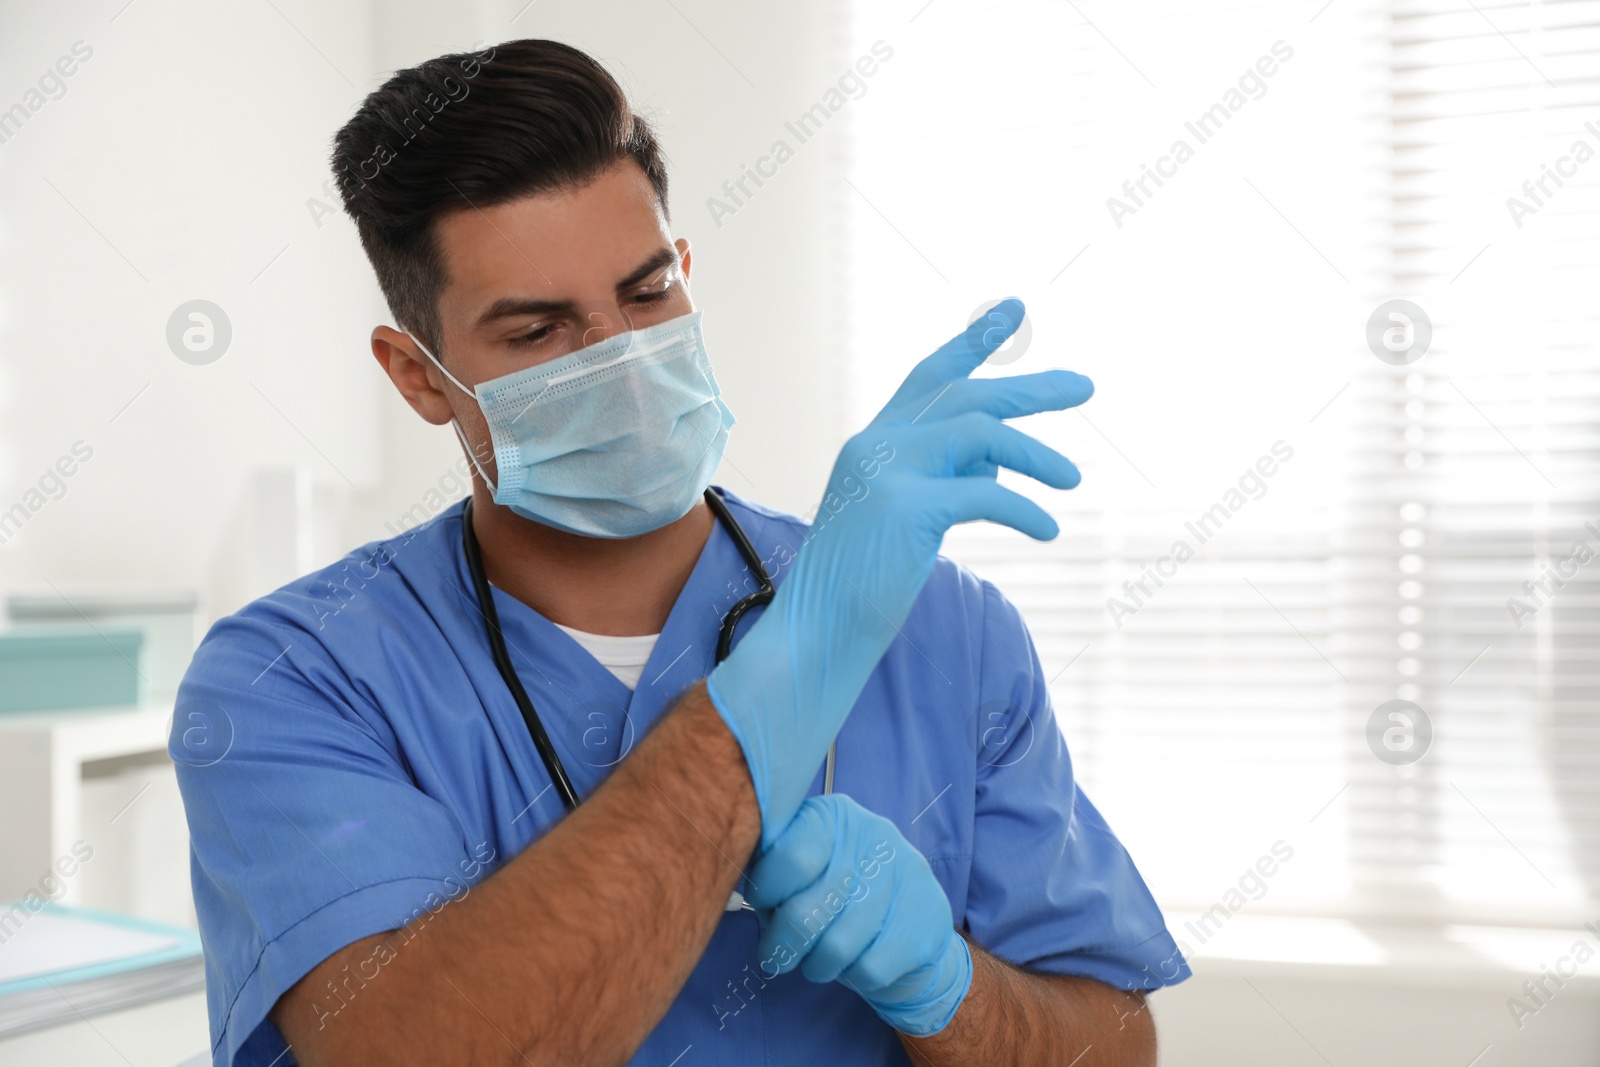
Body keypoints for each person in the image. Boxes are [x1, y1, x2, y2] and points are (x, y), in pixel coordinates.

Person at [170, 38, 1190, 1067]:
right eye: (538, 331)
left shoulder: (946, 632)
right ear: (418, 375)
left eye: (648, 293)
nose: (620, 358)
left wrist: (947, 985)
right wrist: (792, 669)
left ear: (686, 272)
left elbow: (1114, 1045)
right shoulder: (295, 679)